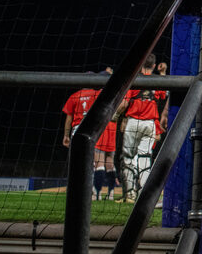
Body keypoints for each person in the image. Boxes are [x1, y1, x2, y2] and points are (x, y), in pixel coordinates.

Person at [116, 53, 167, 202]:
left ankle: (130, 193)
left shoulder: (134, 79)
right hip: (150, 124)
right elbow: (163, 94)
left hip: (133, 121)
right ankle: (145, 194)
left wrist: (116, 117)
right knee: (145, 159)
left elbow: (124, 103)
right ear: (153, 65)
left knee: (128, 157)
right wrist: (162, 73)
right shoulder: (157, 80)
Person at [61, 78, 118, 201]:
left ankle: (84, 190)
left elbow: (69, 118)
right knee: (100, 162)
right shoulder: (97, 94)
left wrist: (66, 135)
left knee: (80, 163)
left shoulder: (74, 96)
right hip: (93, 128)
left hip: (77, 129)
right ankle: (103, 192)